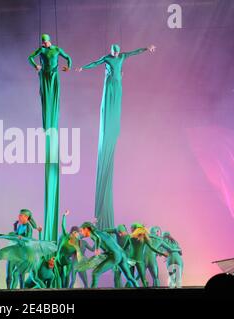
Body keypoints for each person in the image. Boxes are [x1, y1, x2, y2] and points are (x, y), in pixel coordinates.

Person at [78, 44, 156, 231]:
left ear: (118, 52)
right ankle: (109, 115)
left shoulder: (122, 57)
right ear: (110, 51)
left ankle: (111, 118)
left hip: (118, 84)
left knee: (115, 105)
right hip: (111, 85)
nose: (114, 54)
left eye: (115, 52)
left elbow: (135, 52)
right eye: (112, 52)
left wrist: (147, 48)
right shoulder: (107, 58)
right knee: (110, 96)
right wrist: (83, 67)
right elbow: (95, 63)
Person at [28, 34, 72, 242]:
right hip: (44, 75)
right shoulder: (42, 52)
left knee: (52, 100)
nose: (43, 44)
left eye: (45, 42)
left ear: (49, 41)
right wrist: (35, 67)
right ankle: (49, 120)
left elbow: (68, 57)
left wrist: (67, 67)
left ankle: (51, 120)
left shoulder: (56, 50)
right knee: (45, 99)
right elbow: (30, 57)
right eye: (42, 42)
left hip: (53, 75)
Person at [79, 222, 138, 288]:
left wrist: (97, 248)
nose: (81, 233)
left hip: (115, 256)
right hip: (122, 255)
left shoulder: (94, 234)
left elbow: (98, 239)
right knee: (129, 277)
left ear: (86, 229)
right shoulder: (101, 232)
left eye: (81, 231)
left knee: (95, 273)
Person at [6, 209, 42, 289]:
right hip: (16, 249)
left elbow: (28, 239)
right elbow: (16, 234)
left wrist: (21, 237)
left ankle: (22, 289)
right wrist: (14, 229)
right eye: (19, 215)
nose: (18, 217)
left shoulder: (28, 227)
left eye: (20, 215)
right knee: (10, 272)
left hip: (24, 252)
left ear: (26, 217)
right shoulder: (20, 225)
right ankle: (8, 289)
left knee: (20, 274)